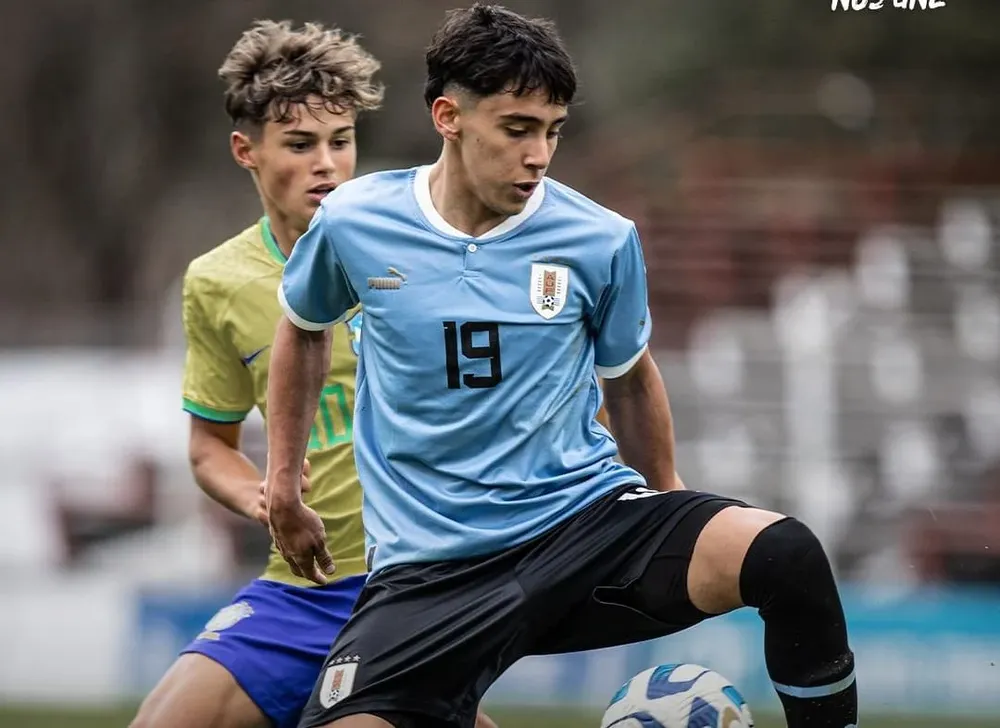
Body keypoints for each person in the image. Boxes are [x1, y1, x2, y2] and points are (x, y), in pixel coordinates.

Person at [266, 5, 859, 728]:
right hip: (429, 573)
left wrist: (667, 503)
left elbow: (631, 376)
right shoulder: (354, 221)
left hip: (583, 528)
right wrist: (283, 482)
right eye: (517, 128)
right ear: (448, 116)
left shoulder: (600, 238)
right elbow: (302, 330)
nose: (540, 154)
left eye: (552, 130)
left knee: (785, 555)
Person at [129, 20, 490, 728]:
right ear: (248, 152)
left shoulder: (426, 253)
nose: (326, 163)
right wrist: (270, 500)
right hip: (302, 590)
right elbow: (210, 448)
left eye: (341, 141)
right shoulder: (217, 281)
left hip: (416, 587)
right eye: (299, 145)